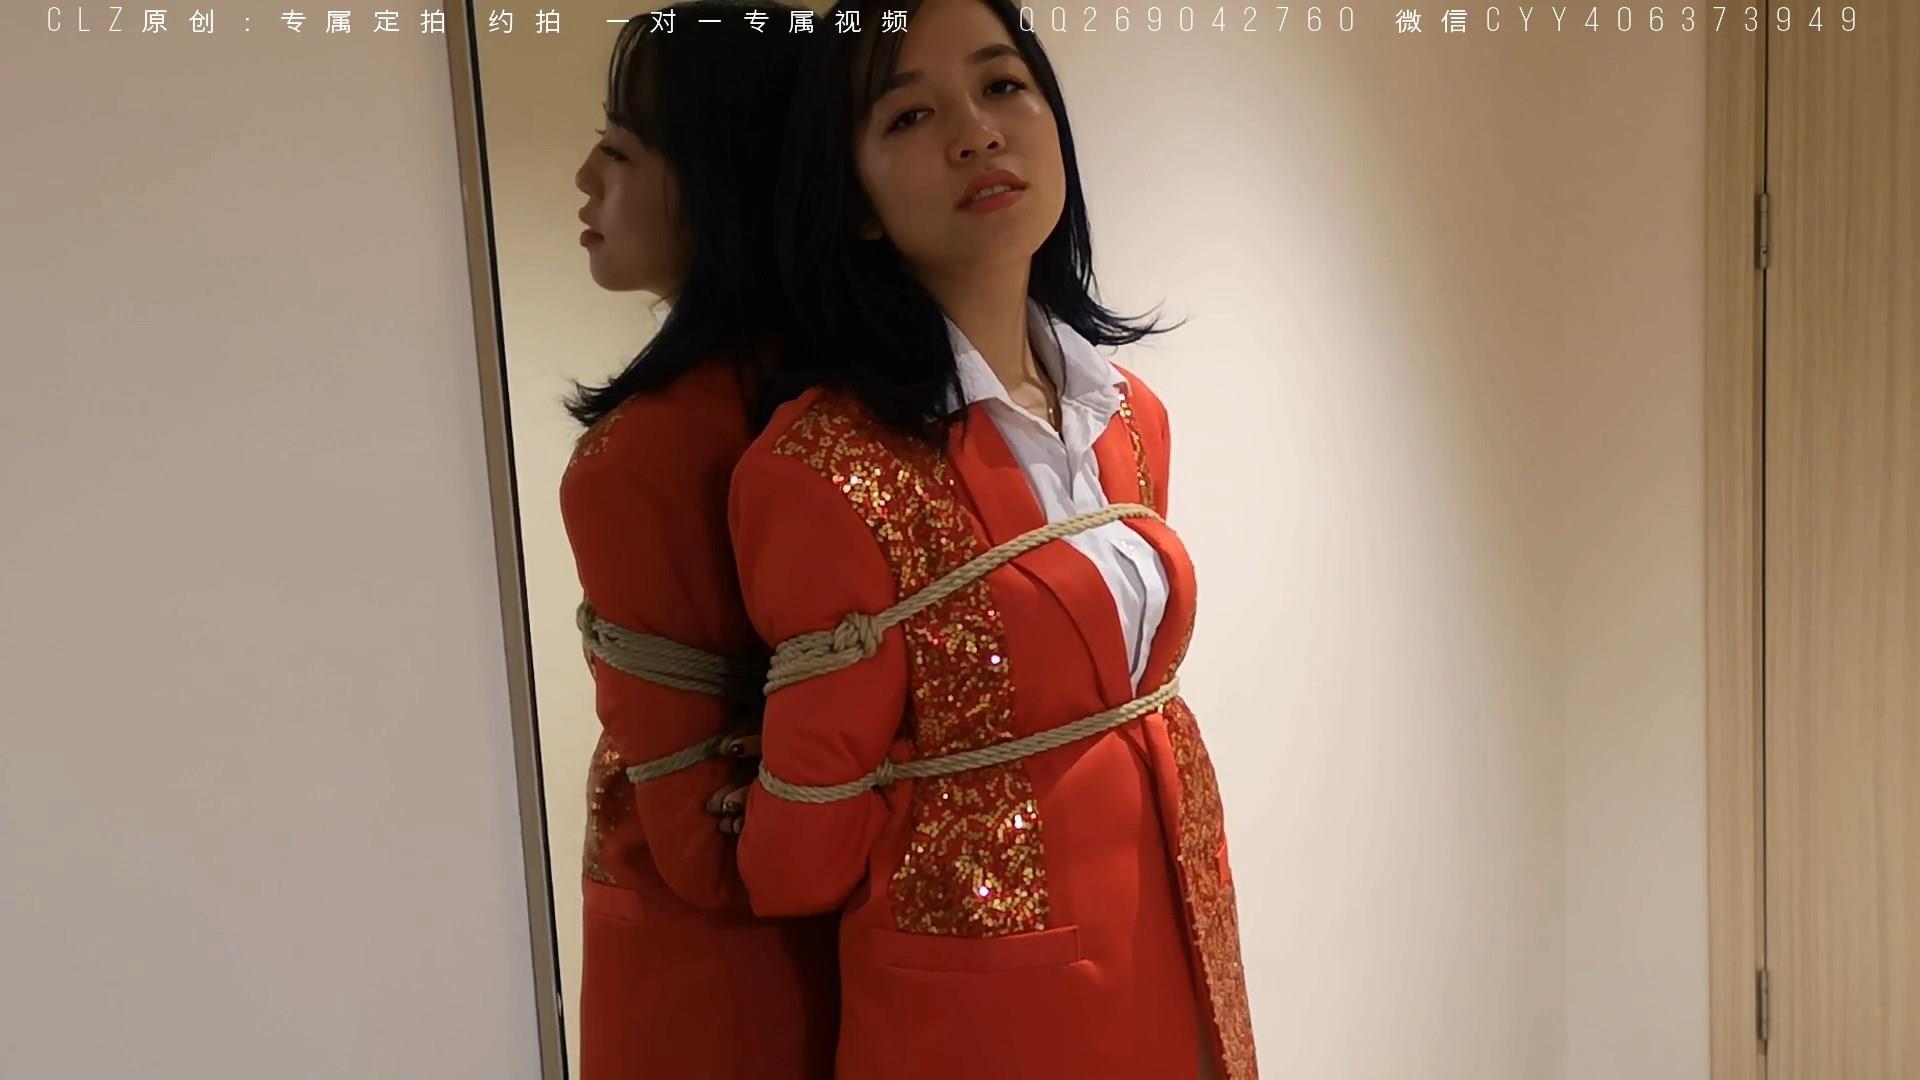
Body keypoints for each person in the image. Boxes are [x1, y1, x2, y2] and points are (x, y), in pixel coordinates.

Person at [719, 0, 1258, 1076]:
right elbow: (800, 864)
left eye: (1002, 85)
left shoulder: (1128, 416)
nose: (976, 132)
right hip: (985, 1022)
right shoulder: (824, 469)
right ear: (855, 202)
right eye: (910, 116)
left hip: (1175, 955)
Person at [561, 6, 836, 1077]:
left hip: (705, 983)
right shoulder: (856, 403)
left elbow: (702, 854)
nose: (586, 178)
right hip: (873, 947)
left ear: (723, 179)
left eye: (621, 150)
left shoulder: (643, 456)